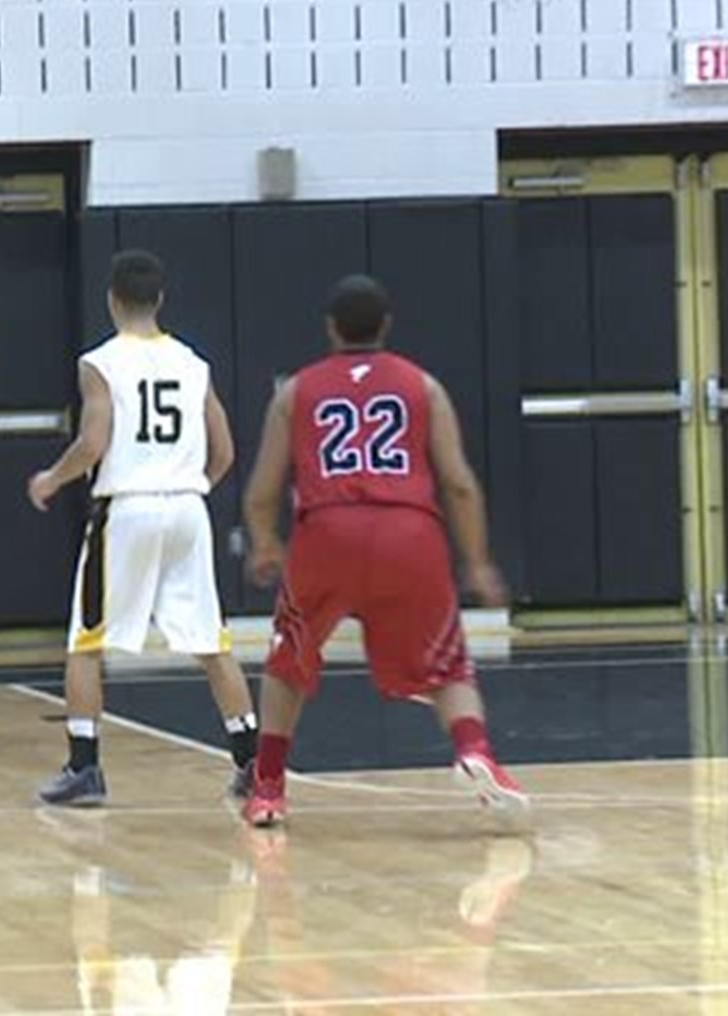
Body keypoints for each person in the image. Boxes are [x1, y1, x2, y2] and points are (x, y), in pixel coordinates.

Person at [237, 274, 527, 828]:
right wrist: (477, 561)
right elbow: (460, 483)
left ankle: (268, 787)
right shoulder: (424, 385)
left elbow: (262, 490)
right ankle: (474, 752)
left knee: (288, 662)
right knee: (447, 665)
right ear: (386, 325)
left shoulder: (295, 391)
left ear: (330, 328)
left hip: (327, 533)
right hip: (408, 534)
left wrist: (267, 543)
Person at [27, 249, 260, 807]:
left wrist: (52, 479)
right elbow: (225, 451)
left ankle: (84, 768)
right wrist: (184, 482)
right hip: (187, 507)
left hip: (127, 508)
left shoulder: (100, 362)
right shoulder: (193, 362)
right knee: (211, 640)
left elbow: (93, 443)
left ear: (112, 299)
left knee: (86, 641)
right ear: (160, 299)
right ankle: (253, 761)